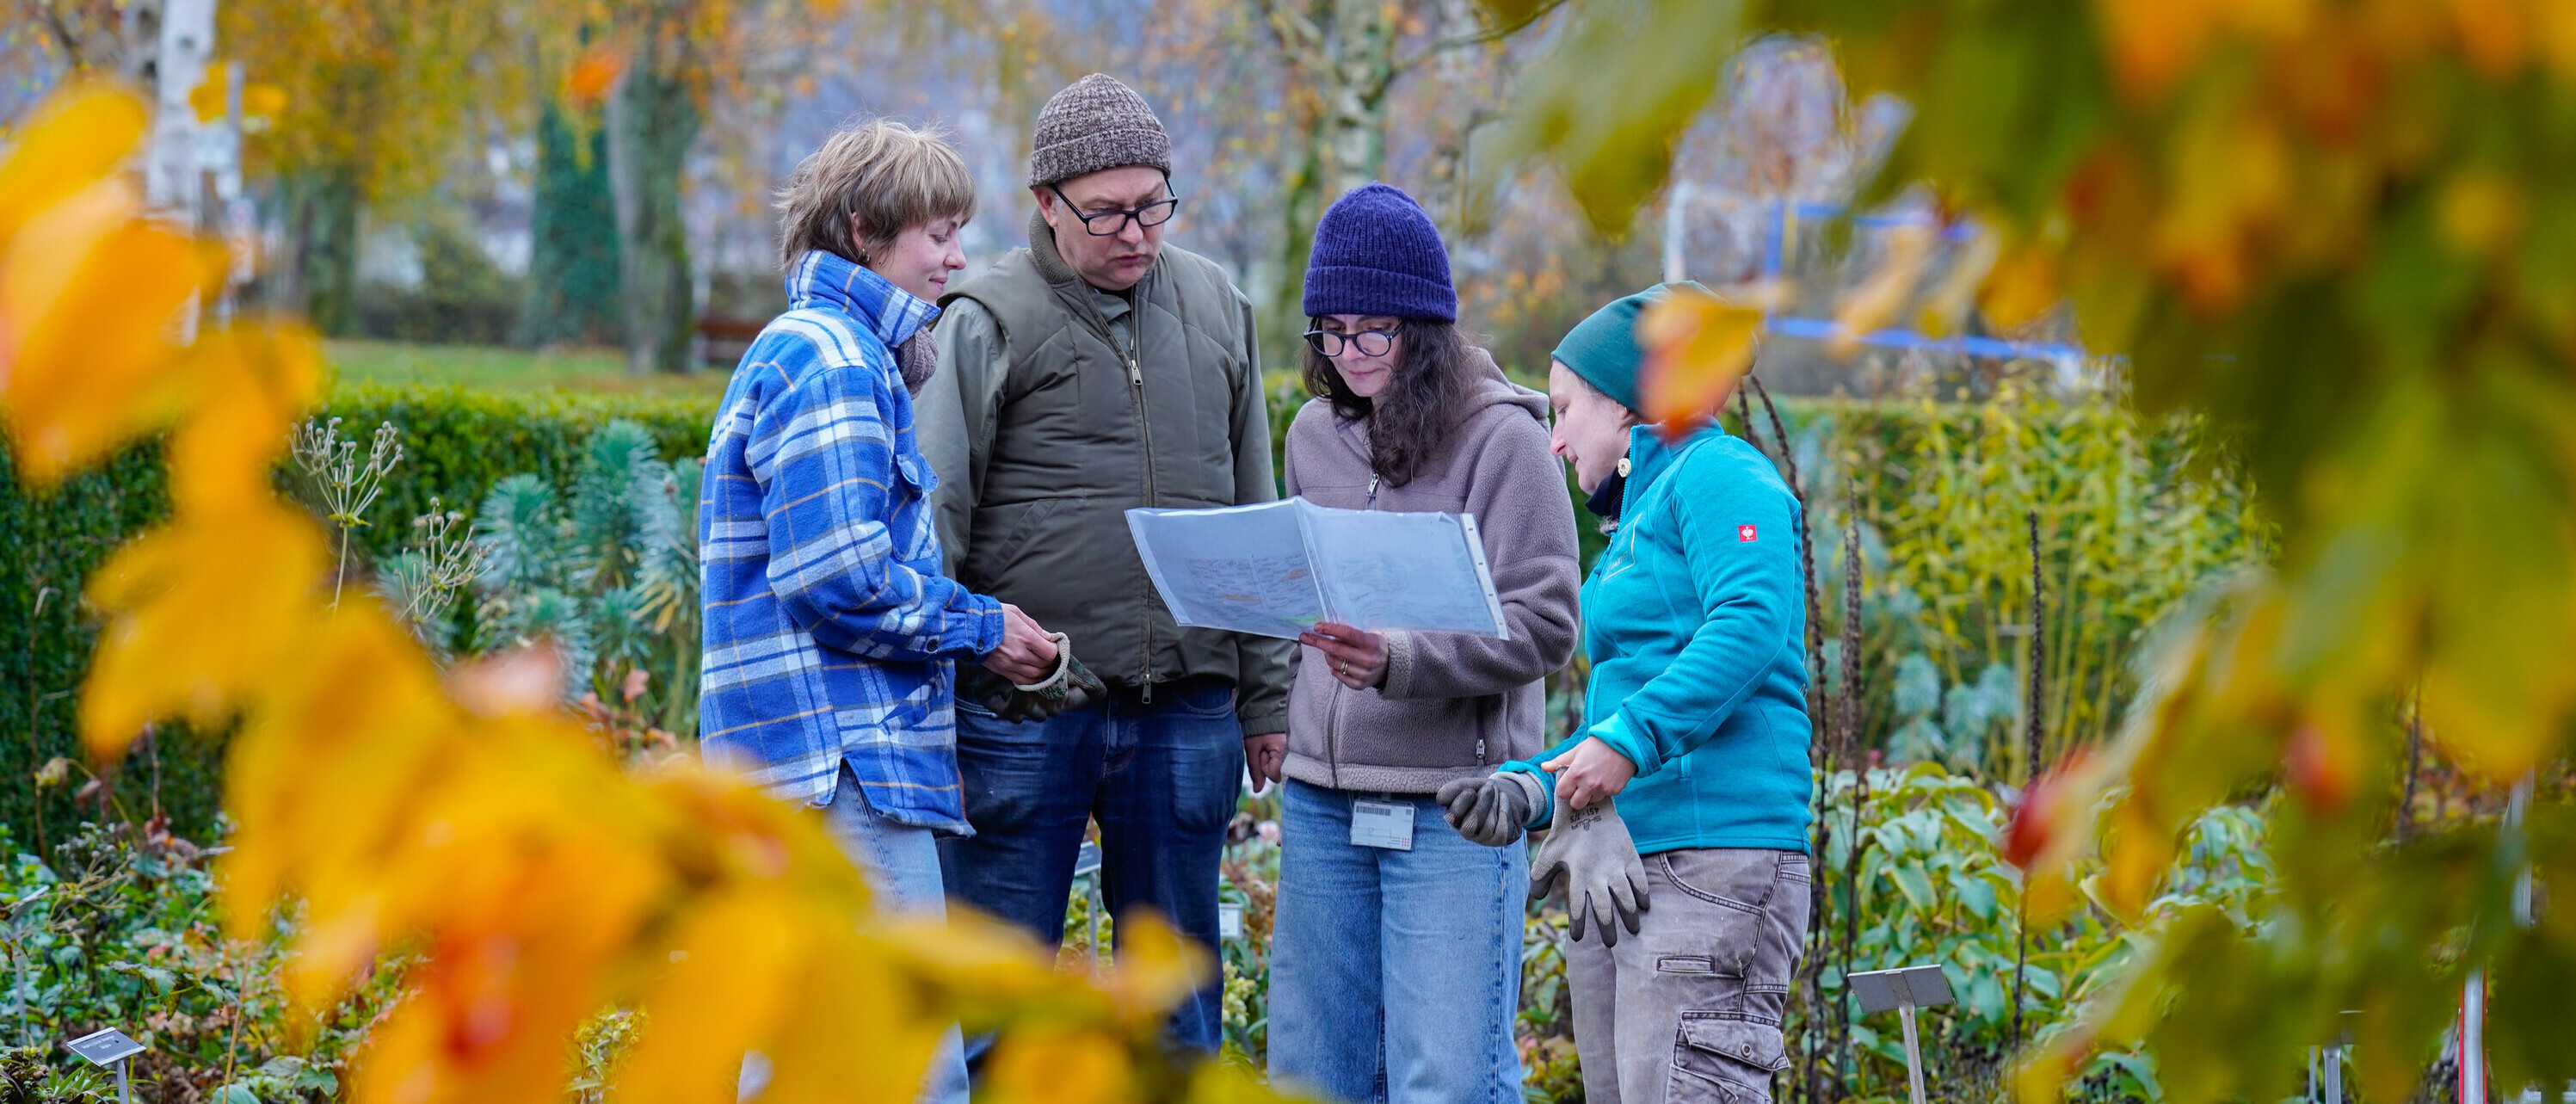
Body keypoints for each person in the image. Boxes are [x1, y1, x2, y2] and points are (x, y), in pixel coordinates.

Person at [914, 73, 1294, 1052]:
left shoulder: (1218, 305)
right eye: (1109, 212)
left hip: (1188, 711)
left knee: (1178, 1014)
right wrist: (936, 703)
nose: (1138, 233)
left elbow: (1253, 514)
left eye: (1155, 204)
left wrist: (1267, 700)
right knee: (993, 1005)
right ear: (1045, 203)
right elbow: (936, 515)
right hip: (1023, 706)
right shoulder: (985, 315)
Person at [697, 120, 1062, 1104]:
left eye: (959, 231)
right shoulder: (835, 358)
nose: (955, 257)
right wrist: (984, 626)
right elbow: (839, 577)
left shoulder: (821, 348)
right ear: (865, 230)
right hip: (840, 772)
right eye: (936, 233)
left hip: (797, 772)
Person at [1439, 285, 1815, 1104]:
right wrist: (1531, 786)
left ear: (1630, 407)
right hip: (1632, 868)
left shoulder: (1721, 472)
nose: (1554, 437)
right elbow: (1622, 715)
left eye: (1566, 407)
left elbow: (1750, 622)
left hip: (1716, 861)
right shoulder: (1635, 528)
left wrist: (1623, 743)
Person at [1257, 182, 1582, 1103]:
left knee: (1449, 1077)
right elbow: (1303, 598)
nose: (1348, 353)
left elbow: (1550, 621)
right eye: (1331, 330)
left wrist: (1405, 659)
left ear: (1426, 328)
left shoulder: (1503, 441)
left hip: (1454, 807)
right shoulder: (1311, 435)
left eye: (1374, 331)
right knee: (1314, 1075)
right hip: (1322, 805)